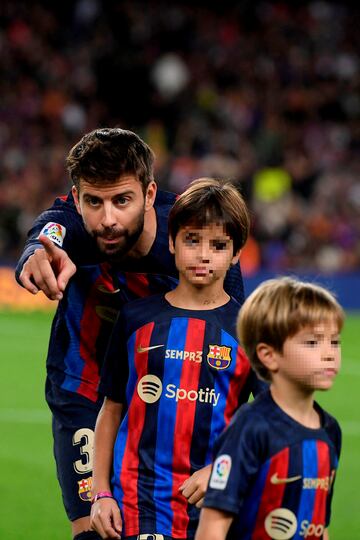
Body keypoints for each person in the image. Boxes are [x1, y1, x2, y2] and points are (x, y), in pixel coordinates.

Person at [15, 129, 245, 540]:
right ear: (77, 197)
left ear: (150, 193)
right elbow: (49, 230)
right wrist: (36, 252)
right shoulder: (74, 227)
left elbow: (236, 352)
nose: (107, 219)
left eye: (122, 200)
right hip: (83, 388)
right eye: (93, 202)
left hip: (165, 403)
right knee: (95, 529)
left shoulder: (193, 238)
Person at [89, 178, 260, 540]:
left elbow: (271, 423)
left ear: (236, 253)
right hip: (140, 503)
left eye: (218, 245)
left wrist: (219, 469)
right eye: (192, 240)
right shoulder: (135, 319)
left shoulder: (251, 329)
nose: (202, 255)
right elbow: (111, 409)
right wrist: (101, 492)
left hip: (217, 504)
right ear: (172, 242)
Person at [195, 277, 344, 540]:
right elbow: (212, 527)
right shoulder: (251, 428)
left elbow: (319, 523)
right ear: (269, 355)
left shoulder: (330, 430)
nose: (329, 353)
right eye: (312, 342)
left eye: (334, 341)